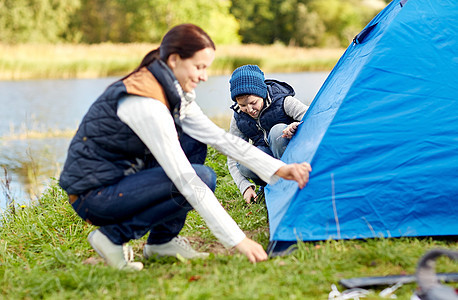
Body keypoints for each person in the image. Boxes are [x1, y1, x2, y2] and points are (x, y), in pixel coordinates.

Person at [59, 24, 312, 270]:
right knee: (202, 177)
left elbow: (220, 139)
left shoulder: (172, 91)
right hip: (94, 196)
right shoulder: (146, 102)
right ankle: (113, 236)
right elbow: (185, 179)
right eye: (199, 67)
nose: (204, 76)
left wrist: (279, 170)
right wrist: (238, 241)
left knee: (194, 140)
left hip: (125, 178)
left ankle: (162, 242)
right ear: (175, 61)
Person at [227, 65, 309, 203]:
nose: (249, 109)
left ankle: (293, 181)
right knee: (244, 160)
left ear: (262, 93)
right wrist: (245, 187)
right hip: (267, 162)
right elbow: (233, 156)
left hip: (289, 153)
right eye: (242, 105)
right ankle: (269, 186)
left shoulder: (284, 101)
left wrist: (296, 125)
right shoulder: (238, 116)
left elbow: (314, 118)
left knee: (277, 131)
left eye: (253, 103)